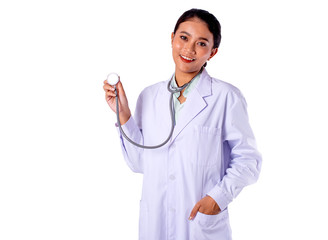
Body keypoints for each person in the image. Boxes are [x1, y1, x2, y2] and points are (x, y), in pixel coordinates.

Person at [103, 8, 262, 240]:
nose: (189, 49)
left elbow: (249, 160)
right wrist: (124, 114)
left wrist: (217, 198)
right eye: (184, 38)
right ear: (172, 38)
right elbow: (140, 163)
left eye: (201, 43)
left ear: (213, 52)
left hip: (199, 222)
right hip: (155, 222)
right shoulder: (149, 96)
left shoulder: (226, 97)